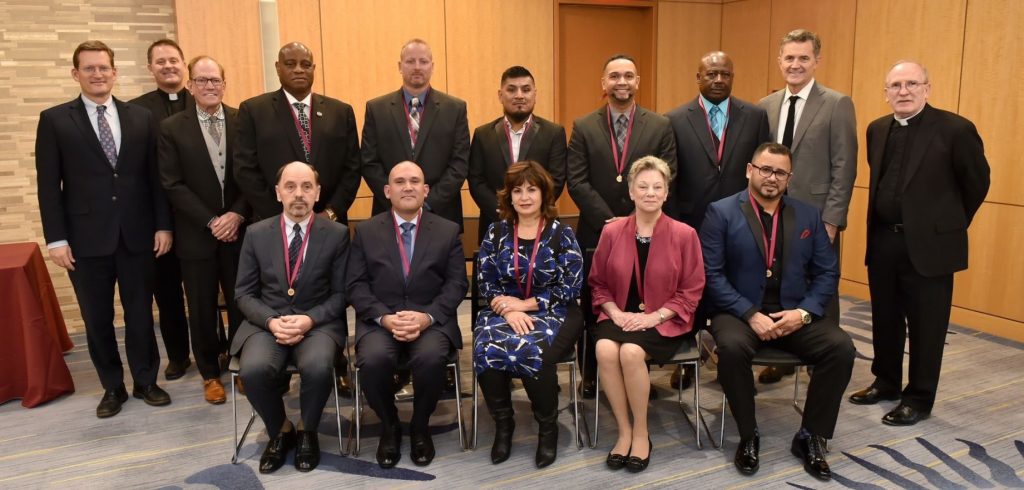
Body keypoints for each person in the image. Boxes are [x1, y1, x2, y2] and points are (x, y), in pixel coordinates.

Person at [36, 40, 173, 418]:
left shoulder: (140, 117)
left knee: (141, 314)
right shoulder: (55, 120)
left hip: (137, 234)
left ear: (115, 72)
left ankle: (146, 380)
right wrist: (56, 239)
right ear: (75, 73)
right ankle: (112, 387)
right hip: (84, 241)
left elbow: (154, 179)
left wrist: (163, 226)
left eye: (104, 68)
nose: (98, 74)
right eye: (90, 68)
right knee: (97, 319)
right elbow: (48, 186)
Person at [848, 61, 989, 426]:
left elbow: (977, 182)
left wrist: (947, 225)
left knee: (927, 325)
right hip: (883, 240)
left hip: (930, 247)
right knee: (885, 317)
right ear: (886, 93)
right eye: (895, 85)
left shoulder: (956, 129)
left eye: (912, 83)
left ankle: (919, 397)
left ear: (927, 88)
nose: (903, 91)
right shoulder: (877, 129)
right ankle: (886, 381)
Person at [701, 142, 854, 481]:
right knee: (731, 349)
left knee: (841, 348)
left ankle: (811, 435)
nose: (771, 177)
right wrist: (749, 313)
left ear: (789, 178)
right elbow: (711, 274)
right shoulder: (721, 212)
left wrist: (804, 313)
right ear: (749, 170)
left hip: (793, 313)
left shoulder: (808, 215)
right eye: (765, 169)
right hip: (738, 312)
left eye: (780, 172)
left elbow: (827, 272)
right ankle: (748, 434)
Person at [567, 54, 677, 399]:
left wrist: (632, 219)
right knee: (595, 300)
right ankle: (591, 375)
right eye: (614, 76)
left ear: (638, 82)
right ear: (604, 83)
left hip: (646, 229)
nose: (621, 82)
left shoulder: (659, 126)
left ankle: (637, 373)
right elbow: (577, 180)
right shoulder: (583, 126)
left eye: (628, 76)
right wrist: (610, 222)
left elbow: (666, 174)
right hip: (597, 231)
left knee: (640, 296)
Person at [347, 162, 468, 469]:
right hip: (380, 321)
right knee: (373, 360)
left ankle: (419, 425)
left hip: (431, 321)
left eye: (415, 181)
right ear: (387, 191)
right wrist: (384, 318)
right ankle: (390, 425)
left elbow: (457, 284)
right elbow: (356, 285)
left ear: (425, 190)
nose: (408, 187)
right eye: (399, 181)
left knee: (430, 359)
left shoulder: (447, 230)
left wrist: (426, 317)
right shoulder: (366, 230)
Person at [231, 162, 350, 473]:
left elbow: (341, 294)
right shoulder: (256, 233)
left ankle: (307, 430)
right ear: (278, 192)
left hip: (317, 323)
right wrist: (271, 321)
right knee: (253, 370)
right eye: (291, 187)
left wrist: (309, 320)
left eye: (307, 187)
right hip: (266, 324)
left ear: (318, 192)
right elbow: (243, 293)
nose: (299, 194)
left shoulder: (337, 234)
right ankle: (281, 430)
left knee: (319, 366)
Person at [588, 156, 704, 473]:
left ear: (666, 193)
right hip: (620, 316)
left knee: (631, 352)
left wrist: (653, 318)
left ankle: (641, 432)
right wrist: (614, 312)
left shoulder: (684, 234)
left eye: (657, 187)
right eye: (643, 186)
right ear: (631, 191)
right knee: (604, 348)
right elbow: (597, 283)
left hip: (664, 321)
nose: (650, 192)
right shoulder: (612, 232)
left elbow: (692, 289)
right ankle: (623, 431)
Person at [665, 50, 770, 389]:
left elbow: (763, 170)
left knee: (739, 287)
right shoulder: (675, 119)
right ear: (698, 77)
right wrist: (675, 224)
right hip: (691, 221)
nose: (718, 79)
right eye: (711, 74)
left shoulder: (754, 116)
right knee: (689, 292)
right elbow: (673, 176)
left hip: (741, 222)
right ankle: (688, 361)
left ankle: (734, 361)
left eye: (725, 73)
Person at [756, 29, 856, 384]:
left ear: (816, 61)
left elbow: (844, 167)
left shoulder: (837, 103)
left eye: (803, 58)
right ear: (779, 61)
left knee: (821, 288)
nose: (795, 64)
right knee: (781, 285)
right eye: (789, 58)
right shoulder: (765, 107)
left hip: (816, 216)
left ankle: (823, 363)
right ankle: (782, 358)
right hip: (772, 216)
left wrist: (832, 221)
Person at [474, 161, 583, 468]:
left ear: (543, 193)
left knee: (530, 349)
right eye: (517, 190)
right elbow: (485, 281)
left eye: (531, 189)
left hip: (555, 310)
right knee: (487, 347)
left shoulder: (561, 233)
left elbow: (571, 286)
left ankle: (547, 428)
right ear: (508, 197)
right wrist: (508, 309)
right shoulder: (496, 233)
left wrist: (525, 305)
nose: (524, 197)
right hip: (503, 311)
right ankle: (503, 425)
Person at [158, 55, 249, 405]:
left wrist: (237, 215)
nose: (209, 86)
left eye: (215, 80)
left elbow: (253, 174)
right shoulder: (171, 128)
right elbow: (172, 183)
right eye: (202, 80)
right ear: (190, 85)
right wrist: (212, 221)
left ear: (224, 84)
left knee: (243, 303)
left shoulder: (243, 121)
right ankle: (210, 374)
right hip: (197, 236)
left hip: (240, 232)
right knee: (201, 307)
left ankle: (242, 367)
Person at [233, 42, 361, 224]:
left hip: (329, 224)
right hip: (273, 224)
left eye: (306, 65)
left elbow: (352, 169)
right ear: (278, 68)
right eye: (290, 64)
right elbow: (245, 170)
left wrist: (331, 213)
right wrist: (283, 217)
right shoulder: (253, 111)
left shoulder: (340, 112)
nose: (299, 70)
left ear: (314, 68)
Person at [130, 38, 192, 380]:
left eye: (174, 60)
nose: (168, 66)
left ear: (184, 65)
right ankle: (179, 355)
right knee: (167, 293)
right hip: (160, 219)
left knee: (206, 294)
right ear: (150, 68)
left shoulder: (201, 100)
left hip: (199, 218)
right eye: (161, 61)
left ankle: (221, 349)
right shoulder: (136, 112)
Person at [361, 38, 470, 230]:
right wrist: (398, 201)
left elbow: (459, 163)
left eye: (423, 61)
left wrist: (427, 202)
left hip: (441, 213)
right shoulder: (376, 109)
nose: (417, 67)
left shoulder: (455, 109)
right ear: (400, 66)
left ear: (432, 66)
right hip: (389, 214)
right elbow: (369, 162)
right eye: (410, 61)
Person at [469, 66, 567, 242]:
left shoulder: (554, 133)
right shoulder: (483, 134)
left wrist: (529, 208)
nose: (519, 95)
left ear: (535, 94)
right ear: (500, 95)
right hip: (494, 224)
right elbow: (476, 180)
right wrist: (504, 209)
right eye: (511, 89)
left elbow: (557, 179)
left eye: (526, 89)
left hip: (542, 225)